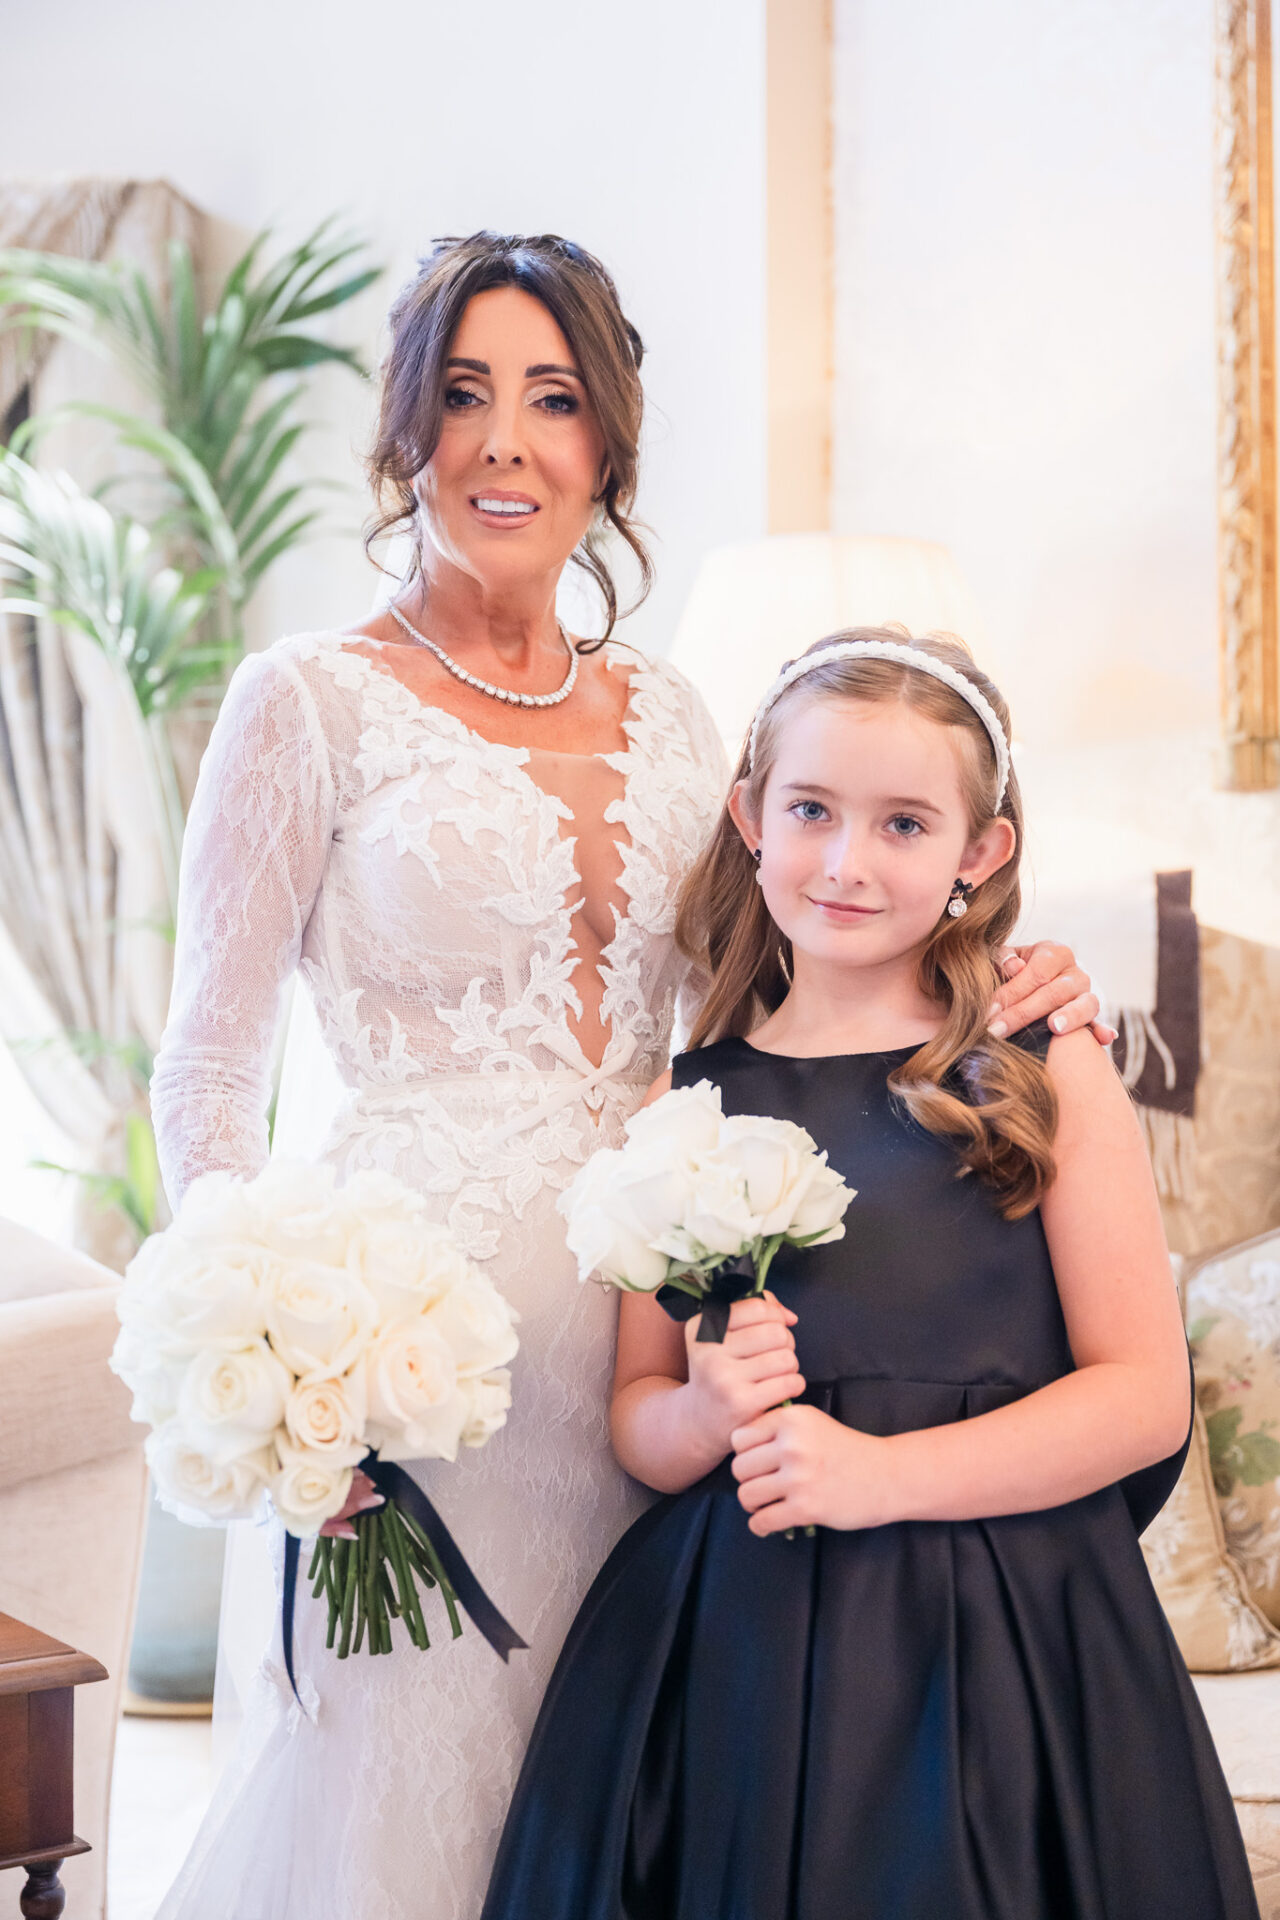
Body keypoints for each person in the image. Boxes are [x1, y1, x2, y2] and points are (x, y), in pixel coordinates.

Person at [150, 227, 1105, 1920]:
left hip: (656, 1376)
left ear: (610, 448)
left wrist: (1017, 971)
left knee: (625, 1818)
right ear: (406, 432)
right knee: (405, 1809)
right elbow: (209, 1076)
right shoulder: (303, 703)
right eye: (462, 396)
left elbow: (808, 958)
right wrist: (279, 1365)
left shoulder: (676, 716)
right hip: (410, 1378)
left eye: (553, 398)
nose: (504, 443)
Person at [481, 628, 1257, 1920]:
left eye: (905, 824)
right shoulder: (684, 1104)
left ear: (981, 854)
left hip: (1008, 1646)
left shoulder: (1039, 1068)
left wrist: (882, 1476)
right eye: (812, 812)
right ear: (750, 818)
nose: (846, 861)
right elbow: (638, 1415)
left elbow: (1143, 1398)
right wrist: (706, 1412)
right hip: (740, 1651)